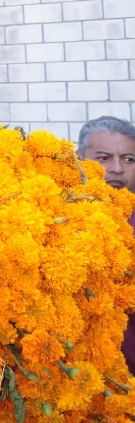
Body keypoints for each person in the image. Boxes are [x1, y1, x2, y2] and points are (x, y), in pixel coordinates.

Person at [76, 116, 135, 373]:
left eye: (129, 159)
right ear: (79, 159)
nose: (117, 169)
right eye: (103, 158)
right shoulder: (57, 220)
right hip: (77, 371)